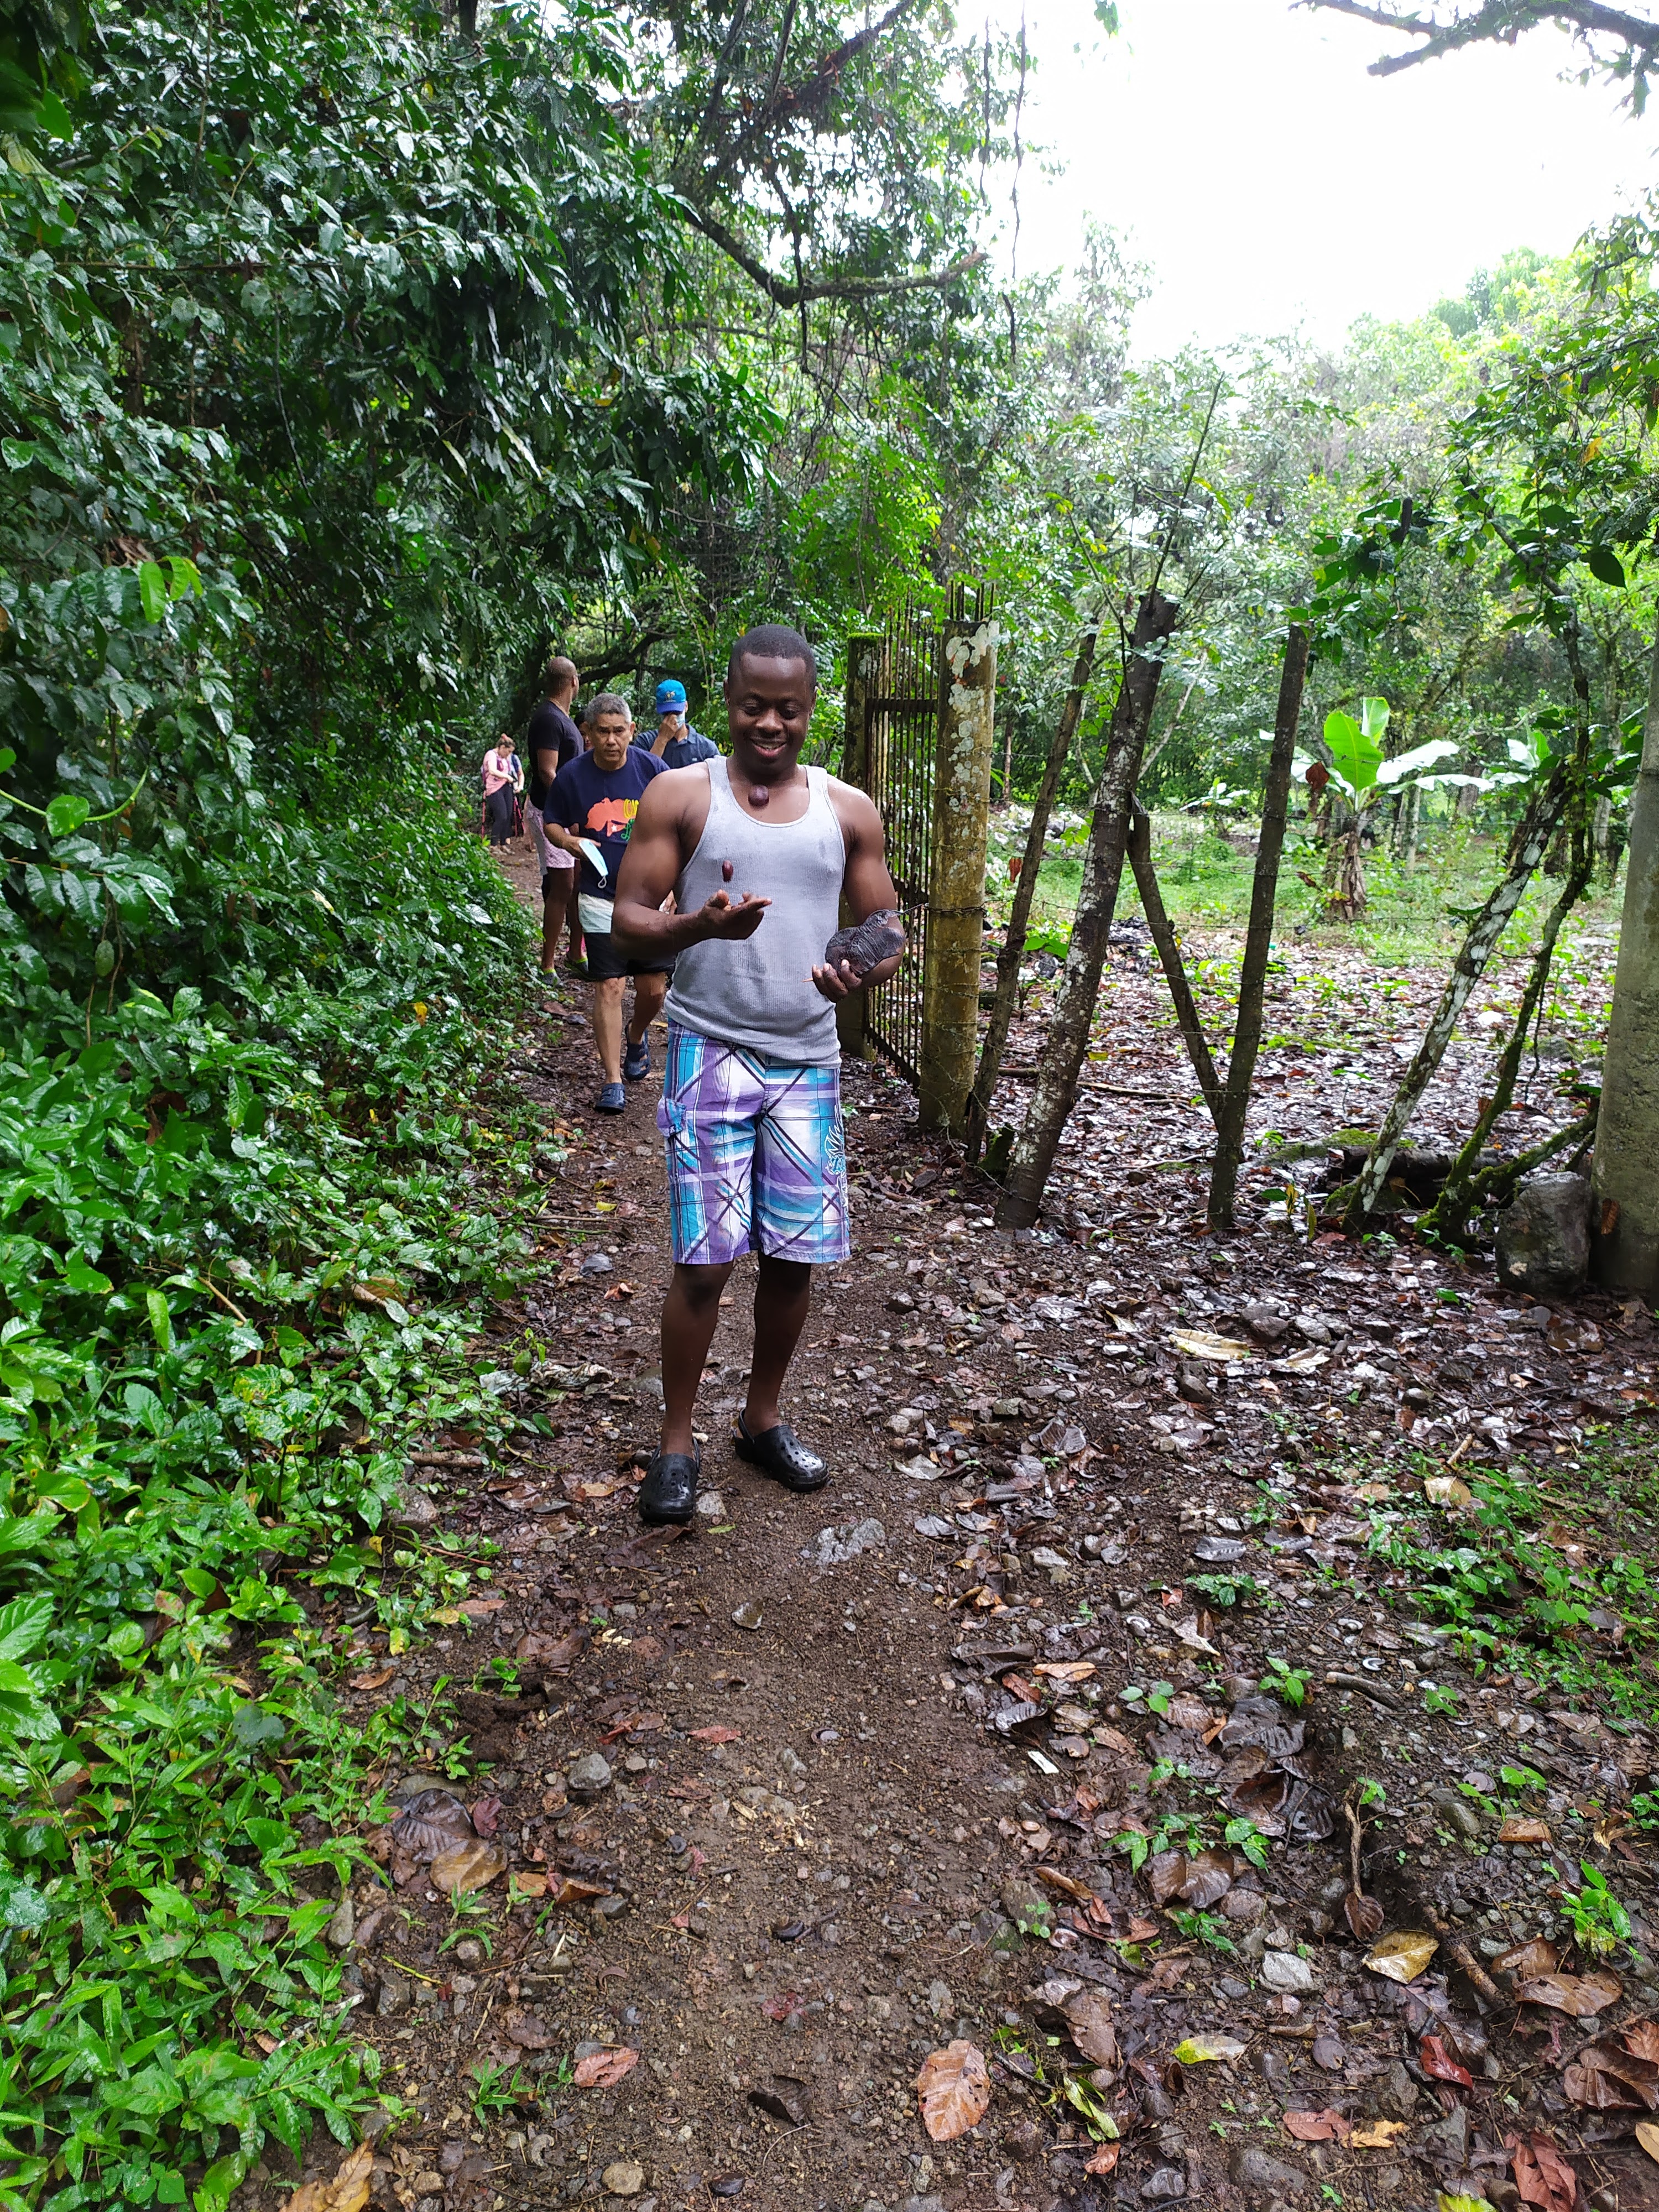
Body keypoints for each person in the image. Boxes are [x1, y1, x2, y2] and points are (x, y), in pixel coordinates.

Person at [611, 623, 904, 1525]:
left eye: (788, 709)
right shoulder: (681, 794)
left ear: (811, 711)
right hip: (709, 1049)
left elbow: (887, 927)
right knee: (704, 1264)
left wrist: (860, 968)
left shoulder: (847, 810)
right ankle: (676, 1443)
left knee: (792, 1259)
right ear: (728, 702)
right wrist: (698, 926)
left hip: (808, 1061)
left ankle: (761, 1420)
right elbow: (626, 919)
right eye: (753, 706)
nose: (769, 723)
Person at [544, 693, 671, 1112]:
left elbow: (678, 826)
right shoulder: (572, 776)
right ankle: (613, 1079)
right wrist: (569, 842)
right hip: (599, 895)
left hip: (649, 899)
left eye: (619, 731)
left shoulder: (654, 772)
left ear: (632, 731)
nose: (612, 740)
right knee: (610, 985)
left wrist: (674, 884)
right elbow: (552, 822)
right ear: (588, 732)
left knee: (653, 990)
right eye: (603, 731)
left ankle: (636, 1035)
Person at [524, 658, 585, 974]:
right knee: (562, 886)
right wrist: (570, 809)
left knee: (576, 883)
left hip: (565, 813)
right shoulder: (549, 719)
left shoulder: (562, 717)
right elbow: (548, 772)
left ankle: (576, 953)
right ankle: (547, 964)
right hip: (552, 813)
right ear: (573, 681)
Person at [639, 679, 720, 769]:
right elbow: (641, 774)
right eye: (667, 713)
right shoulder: (646, 741)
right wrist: (662, 740)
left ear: (686, 706)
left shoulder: (706, 747)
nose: (672, 718)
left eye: (676, 712)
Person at [481, 736, 516, 845]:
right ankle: (494, 844)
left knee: (508, 816)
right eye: (509, 751)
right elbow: (492, 770)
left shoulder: (504, 758)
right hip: (494, 789)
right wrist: (507, 777)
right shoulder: (491, 755)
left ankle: (503, 843)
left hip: (506, 787)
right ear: (502, 747)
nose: (509, 755)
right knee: (502, 816)